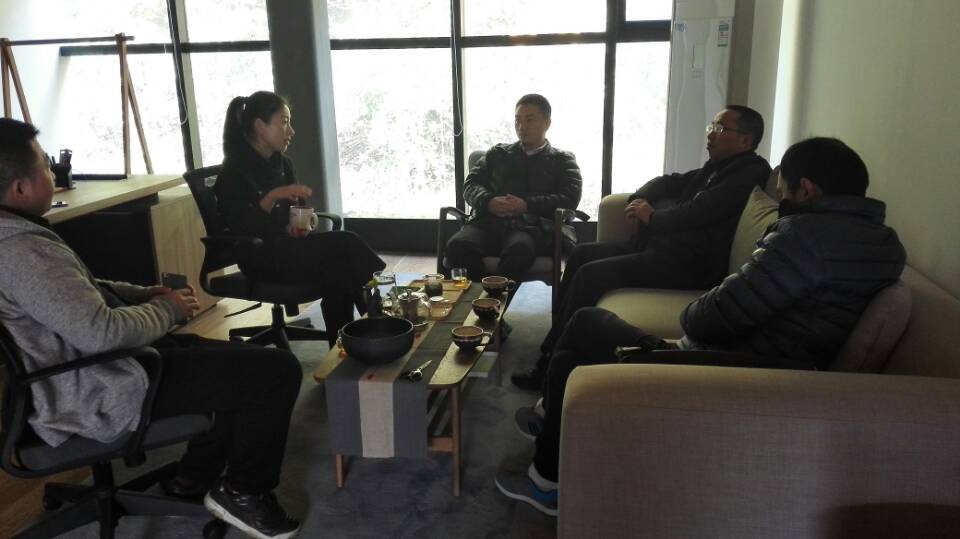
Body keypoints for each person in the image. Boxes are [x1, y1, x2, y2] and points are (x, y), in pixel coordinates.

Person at [494, 137, 906, 516]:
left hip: (731, 372)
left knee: (586, 326)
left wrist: (697, 309)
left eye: (784, 193)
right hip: (773, 364)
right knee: (584, 327)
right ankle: (551, 425)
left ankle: (547, 480)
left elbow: (709, 318)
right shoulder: (885, 244)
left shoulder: (803, 239)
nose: (781, 201)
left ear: (808, 190)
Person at [0, 118, 302, 539]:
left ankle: (192, 478)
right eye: (46, 167)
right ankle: (244, 493)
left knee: (236, 361)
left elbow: (79, 289)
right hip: (96, 385)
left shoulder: (16, 235)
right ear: (20, 189)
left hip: (104, 365)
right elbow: (100, 333)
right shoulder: (20, 251)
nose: (54, 173)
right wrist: (167, 309)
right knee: (276, 371)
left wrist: (141, 294)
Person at [512, 105, 772, 390]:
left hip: (689, 265)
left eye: (720, 129)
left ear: (745, 140)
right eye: (711, 126)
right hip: (663, 251)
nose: (710, 135)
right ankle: (554, 342)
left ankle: (549, 365)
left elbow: (699, 211)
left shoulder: (750, 173)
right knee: (580, 254)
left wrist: (653, 217)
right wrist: (640, 199)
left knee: (590, 275)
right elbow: (669, 182)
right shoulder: (717, 167)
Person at [215, 90, 385, 343]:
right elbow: (243, 228)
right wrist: (273, 196)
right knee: (345, 243)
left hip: (287, 248)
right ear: (260, 126)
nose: (291, 131)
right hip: (259, 257)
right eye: (284, 122)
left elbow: (297, 212)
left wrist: (300, 224)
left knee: (338, 270)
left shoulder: (282, 164)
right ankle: (377, 321)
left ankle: (351, 341)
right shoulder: (233, 172)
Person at [443, 93, 582, 284]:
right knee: (457, 245)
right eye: (517, 120)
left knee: (519, 249)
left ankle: (497, 297)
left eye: (529, 120)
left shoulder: (562, 160)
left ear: (547, 123)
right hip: (487, 223)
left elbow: (569, 198)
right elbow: (470, 184)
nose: (521, 126)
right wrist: (488, 201)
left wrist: (526, 205)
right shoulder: (497, 154)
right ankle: (480, 296)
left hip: (532, 227)